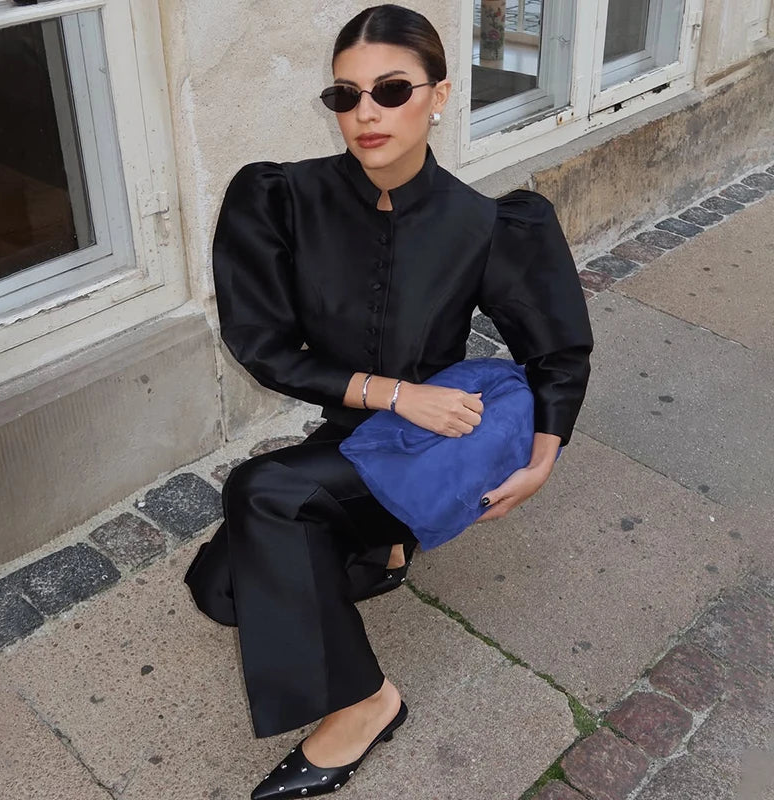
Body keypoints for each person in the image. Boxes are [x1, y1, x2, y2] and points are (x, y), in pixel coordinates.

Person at [183, 5, 593, 798]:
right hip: (359, 435)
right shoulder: (281, 199)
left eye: (392, 89)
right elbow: (264, 345)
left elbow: (558, 350)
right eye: (346, 95)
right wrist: (395, 394)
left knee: (260, 492)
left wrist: (543, 459)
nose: (366, 112)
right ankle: (378, 547)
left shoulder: (489, 225)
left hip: (429, 453)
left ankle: (366, 705)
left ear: (439, 95)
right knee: (223, 591)